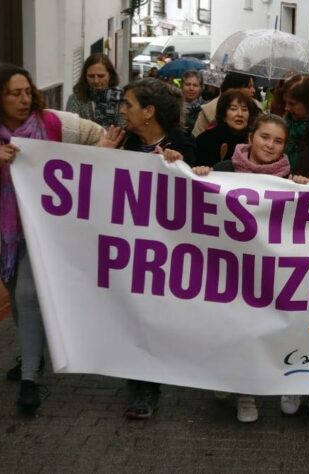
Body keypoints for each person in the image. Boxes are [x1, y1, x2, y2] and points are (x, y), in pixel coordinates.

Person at [0, 64, 116, 412]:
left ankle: (29, 380)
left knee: (27, 295)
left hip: (51, 234)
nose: (25, 100)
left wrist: (98, 149)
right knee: (19, 302)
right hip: (7, 239)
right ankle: (33, 352)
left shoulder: (52, 123)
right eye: (15, 93)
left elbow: (98, 134)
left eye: (28, 92)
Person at [192, 114, 309, 420]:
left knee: (254, 331)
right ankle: (227, 377)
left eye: (278, 141)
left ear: (285, 147)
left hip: (266, 272)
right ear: (251, 138)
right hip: (228, 266)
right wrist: (202, 174)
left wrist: (307, 187)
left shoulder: (288, 180)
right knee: (231, 329)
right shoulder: (224, 171)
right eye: (264, 137)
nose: (270, 145)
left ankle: (247, 395)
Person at [112, 77, 195, 419]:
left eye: (128, 105)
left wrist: (181, 167)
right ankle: (143, 383)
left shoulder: (185, 144)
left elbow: (207, 188)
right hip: (131, 246)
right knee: (136, 312)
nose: (122, 111)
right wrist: (103, 156)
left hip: (172, 250)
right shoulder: (121, 143)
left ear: (148, 112)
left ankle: (152, 376)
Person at [193, 87, 262, 166]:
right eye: (233, 109)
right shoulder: (206, 140)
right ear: (223, 114)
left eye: (244, 109)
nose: (240, 114)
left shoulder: (255, 140)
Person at [65, 53, 124, 129]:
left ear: (110, 75)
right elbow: (71, 128)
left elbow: (122, 128)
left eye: (101, 76)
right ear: (85, 76)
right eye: (91, 76)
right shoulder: (75, 99)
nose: (96, 81)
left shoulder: (121, 98)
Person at [193, 72, 255, 136]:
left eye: (244, 109)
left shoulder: (256, 110)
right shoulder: (208, 111)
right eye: (249, 86)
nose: (253, 90)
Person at [181, 70, 204, 134]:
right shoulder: (173, 107)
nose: (191, 88)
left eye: (195, 85)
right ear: (182, 86)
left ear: (200, 88)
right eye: (188, 84)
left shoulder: (204, 109)